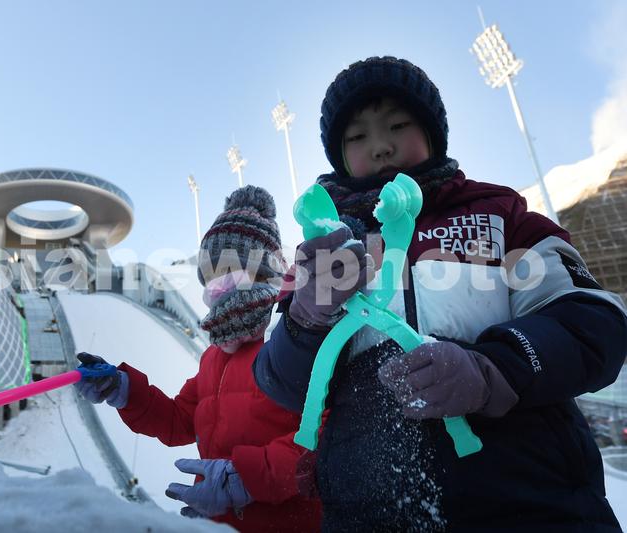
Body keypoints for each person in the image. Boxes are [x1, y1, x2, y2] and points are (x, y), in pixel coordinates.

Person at [253, 56, 627, 532]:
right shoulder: (324, 248)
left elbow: (592, 324)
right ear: (339, 155)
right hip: (367, 513)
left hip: (535, 503)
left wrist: (493, 369)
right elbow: (279, 383)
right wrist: (306, 319)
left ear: (431, 133)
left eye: (397, 125)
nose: (381, 146)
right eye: (358, 137)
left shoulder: (500, 216)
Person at [75, 185, 322, 532]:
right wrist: (125, 390)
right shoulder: (214, 357)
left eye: (230, 269)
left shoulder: (292, 337)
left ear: (264, 270)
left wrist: (245, 479)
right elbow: (180, 421)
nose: (218, 286)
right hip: (218, 524)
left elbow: (325, 435)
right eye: (210, 274)